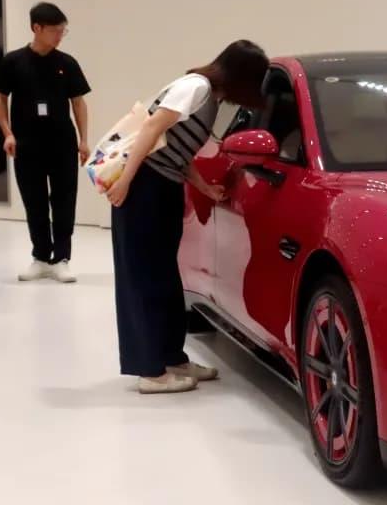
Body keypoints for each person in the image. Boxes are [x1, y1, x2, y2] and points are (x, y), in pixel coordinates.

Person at [107, 40, 268, 394]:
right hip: (144, 185)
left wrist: (204, 188)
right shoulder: (195, 88)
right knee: (143, 276)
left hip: (163, 186)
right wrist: (126, 180)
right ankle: (150, 371)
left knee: (165, 275)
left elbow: (177, 150)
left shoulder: (211, 99)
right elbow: (151, 129)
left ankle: (172, 357)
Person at [0, 3, 91, 283]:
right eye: (55, 30)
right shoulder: (13, 62)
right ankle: (40, 257)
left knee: (64, 201)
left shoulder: (67, 63)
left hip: (62, 143)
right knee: (34, 202)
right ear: (36, 28)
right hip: (26, 144)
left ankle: (61, 258)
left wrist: (84, 140)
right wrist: (7, 133)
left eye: (63, 31)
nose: (60, 36)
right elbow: (0, 99)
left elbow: (78, 103)